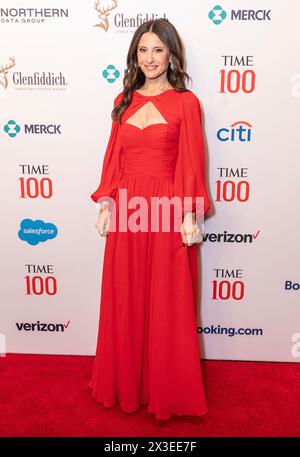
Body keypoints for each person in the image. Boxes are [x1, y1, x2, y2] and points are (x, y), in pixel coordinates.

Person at [89, 18, 211, 421]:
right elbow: (114, 156)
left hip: (166, 210)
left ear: (172, 53)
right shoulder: (123, 98)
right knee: (126, 296)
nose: (150, 58)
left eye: (158, 50)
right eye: (143, 50)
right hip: (127, 210)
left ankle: (165, 387)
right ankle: (127, 382)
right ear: (134, 55)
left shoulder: (186, 102)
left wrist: (190, 214)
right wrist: (106, 203)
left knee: (166, 301)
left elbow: (192, 159)